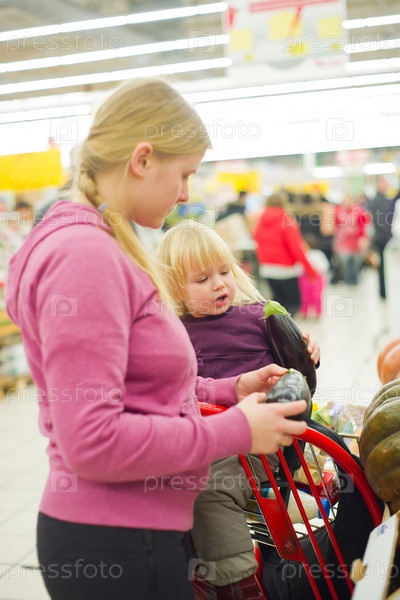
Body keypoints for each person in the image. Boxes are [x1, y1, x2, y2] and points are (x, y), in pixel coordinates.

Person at [5, 78, 308, 600]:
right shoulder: (85, 256)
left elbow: (139, 391)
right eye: (184, 174)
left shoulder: (93, 241)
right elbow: (92, 440)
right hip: (119, 545)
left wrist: (229, 389)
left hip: (134, 533)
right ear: (143, 159)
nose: (186, 193)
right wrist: (235, 431)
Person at [157, 220, 319, 600]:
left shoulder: (260, 316)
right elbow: (176, 389)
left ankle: (237, 584)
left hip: (261, 441)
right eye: (202, 279)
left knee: (211, 486)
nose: (219, 284)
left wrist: (308, 353)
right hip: (206, 441)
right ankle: (198, 571)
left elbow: (298, 373)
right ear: (174, 289)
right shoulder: (174, 334)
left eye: (224, 271)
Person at [254, 193, 319, 316]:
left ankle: (276, 327)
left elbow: (258, 244)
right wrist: (311, 271)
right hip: (287, 271)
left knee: (277, 304)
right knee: (293, 305)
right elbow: (297, 249)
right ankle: (286, 328)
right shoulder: (287, 221)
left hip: (267, 269)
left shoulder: (260, 222)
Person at [367, 177, 397, 298]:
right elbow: (380, 221)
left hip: (385, 238)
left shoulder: (385, 199)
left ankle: (385, 291)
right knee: (382, 268)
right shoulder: (376, 200)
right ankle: (383, 292)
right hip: (381, 239)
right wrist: (388, 236)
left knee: (385, 267)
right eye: (383, 183)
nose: (386, 185)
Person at [331, 193, 370, 285]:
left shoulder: (359, 211)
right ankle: (347, 279)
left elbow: (363, 225)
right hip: (343, 241)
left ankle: (354, 278)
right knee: (344, 261)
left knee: (356, 261)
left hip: (356, 241)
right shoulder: (339, 211)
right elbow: (336, 225)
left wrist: (363, 238)